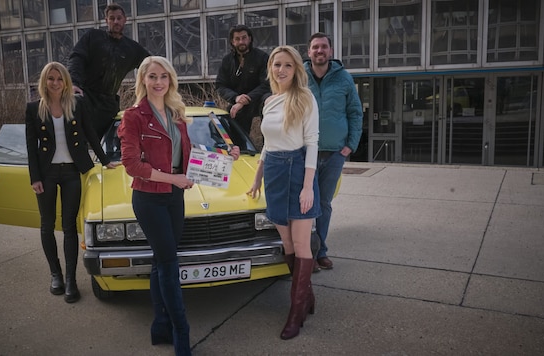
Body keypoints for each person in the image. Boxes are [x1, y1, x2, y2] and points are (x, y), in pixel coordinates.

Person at [118, 56, 240, 355]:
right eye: (152, 76)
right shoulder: (133, 116)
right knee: (170, 264)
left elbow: (188, 153)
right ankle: (181, 332)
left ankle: (160, 326)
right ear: (143, 80)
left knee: (161, 262)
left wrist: (225, 156)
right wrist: (173, 178)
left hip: (174, 198)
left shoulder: (177, 112)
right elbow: (131, 164)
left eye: (163, 76)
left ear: (171, 79)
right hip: (148, 198)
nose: (158, 82)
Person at [25, 62, 118, 303]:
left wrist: (106, 160)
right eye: (51, 79)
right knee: (46, 225)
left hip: (71, 172)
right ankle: (55, 275)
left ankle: (70, 281)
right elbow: (31, 148)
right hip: (46, 173)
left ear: (66, 81)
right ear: (44, 81)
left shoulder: (77, 104)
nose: (55, 83)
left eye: (59, 78)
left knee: (69, 227)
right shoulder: (33, 108)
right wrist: (34, 177)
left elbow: (90, 133)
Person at [247, 46, 320, 340]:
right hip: (275, 173)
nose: (281, 70)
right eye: (277, 64)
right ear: (271, 68)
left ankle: (295, 312)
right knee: (287, 244)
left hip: (298, 169)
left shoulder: (304, 98)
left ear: (296, 69)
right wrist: (256, 178)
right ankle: (308, 297)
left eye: (287, 65)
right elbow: (267, 144)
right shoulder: (269, 101)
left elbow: (313, 142)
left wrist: (307, 186)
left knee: (302, 246)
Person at [305, 33, 363, 271]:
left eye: (324, 47)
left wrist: (350, 145)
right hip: (304, 152)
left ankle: (320, 251)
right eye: (315, 47)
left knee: (324, 203)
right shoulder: (299, 78)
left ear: (330, 51)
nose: (320, 51)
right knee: (306, 204)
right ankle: (304, 252)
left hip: (334, 154)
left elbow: (355, 112)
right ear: (308, 52)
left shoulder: (344, 78)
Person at [68, 3, 150, 139]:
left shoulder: (131, 48)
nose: (116, 21)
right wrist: (74, 83)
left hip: (109, 104)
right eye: (112, 18)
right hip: (86, 97)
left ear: (125, 20)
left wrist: (153, 95)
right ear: (106, 21)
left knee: (109, 143)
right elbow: (77, 57)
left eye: (119, 18)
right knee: (81, 139)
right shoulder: (93, 37)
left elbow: (151, 64)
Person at [215, 24, 271, 135]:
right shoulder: (227, 60)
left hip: (259, 100)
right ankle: (242, 148)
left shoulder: (262, 57)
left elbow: (266, 84)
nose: (241, 41)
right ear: (232, 41)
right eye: (237, 39)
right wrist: (235, 98)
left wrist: (248, 98)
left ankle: (268, 147)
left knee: (269, 103)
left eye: (244, 38)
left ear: (249, 39)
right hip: (237, 101)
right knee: (232, 120)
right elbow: (220, 85)